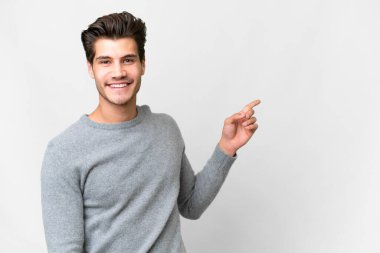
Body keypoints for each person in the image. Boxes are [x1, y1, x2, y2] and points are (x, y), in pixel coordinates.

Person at [41, 11, 261, 253]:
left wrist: (226, 148)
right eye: (105, 61)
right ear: (91, 68)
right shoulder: (63, 152)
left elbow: (191, 206)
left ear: (143, 64)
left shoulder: (166, 130)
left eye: (128, 59)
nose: (118, 72)